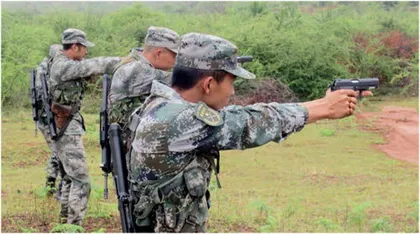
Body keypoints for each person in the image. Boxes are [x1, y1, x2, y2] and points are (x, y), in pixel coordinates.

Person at [126, 33, 373, 232]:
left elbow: (232, 117)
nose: (232, 92)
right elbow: (247, 124)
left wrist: (321, 105)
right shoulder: (179, 119)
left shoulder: (163, 104)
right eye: (231, 83)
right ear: (209, 84)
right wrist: (324, 108)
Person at [48, 28, 122, 226]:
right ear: (74, 47)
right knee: (81, 181)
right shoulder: (63, 66)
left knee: (69, 177)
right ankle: (73, 226)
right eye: (83, 48)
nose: (86, 52)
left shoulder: (61, 62)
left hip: (64, 123)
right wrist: (123, 61)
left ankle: (64, 224)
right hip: (65, 127)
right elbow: (95, 65)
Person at [108, 26, 180, 134]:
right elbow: (184, 81)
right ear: (158, 53)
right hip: (132, 141)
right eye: (175, 56)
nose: (176, 61)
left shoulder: (138, 63)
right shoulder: (136, 70)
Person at [34, 44, 63, 198]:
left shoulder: (51, 68)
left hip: (51, 117)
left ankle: (51, 184)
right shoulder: (43, 70)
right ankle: (55, 185)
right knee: (57, 150)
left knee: (57, 150)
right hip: (46, 119)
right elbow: (44, 95)